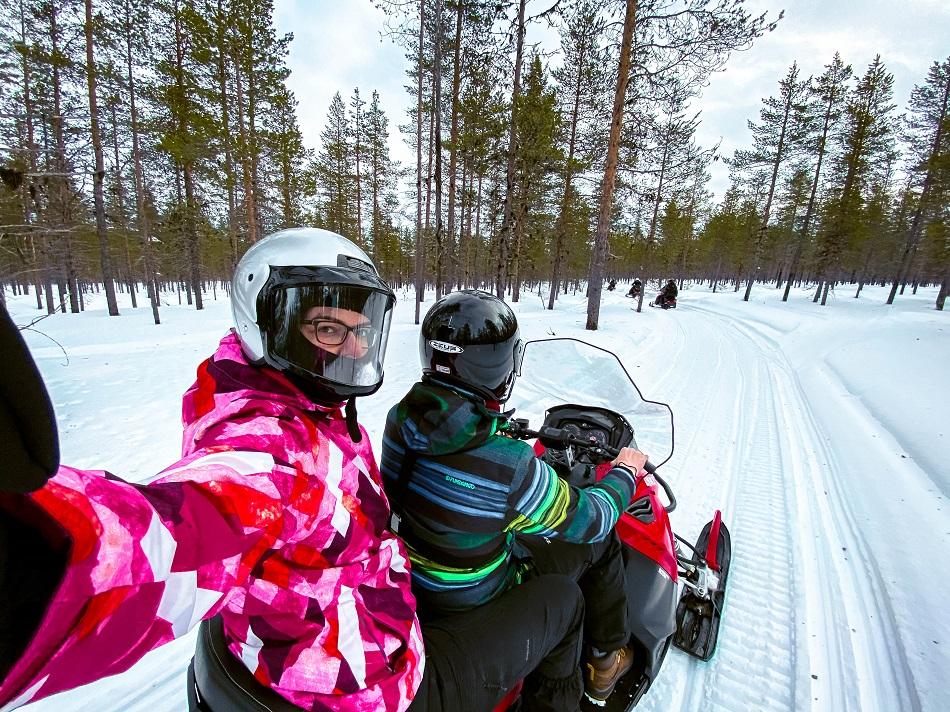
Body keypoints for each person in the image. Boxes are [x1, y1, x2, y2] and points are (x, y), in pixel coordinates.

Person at [0, 229, 583, 712]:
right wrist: (33, 555)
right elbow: (152, 539)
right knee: (560, 601)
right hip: (371, 688)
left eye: (360, 330)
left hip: (317, 638)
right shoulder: (273, 457)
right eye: (327, 329)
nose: (352, 350)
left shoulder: (260, 399)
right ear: (267, 322)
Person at [380, 289, 650, 706]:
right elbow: (589, 519)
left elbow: (455, 471)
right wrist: (625, 474)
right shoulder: (509, 464)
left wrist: (496, 429)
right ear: (499, 365)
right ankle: (603, 663)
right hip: (476, 594)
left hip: (419, 575)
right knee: (598, 542)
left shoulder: (400, 417)